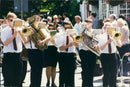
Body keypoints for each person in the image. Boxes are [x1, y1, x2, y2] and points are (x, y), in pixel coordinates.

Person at [1, 12, 26, 87]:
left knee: (18, 79)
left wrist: (20, 33)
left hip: (17, 56)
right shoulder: (4, 30)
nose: (13, 22)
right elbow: (5, 43)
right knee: (8, 80)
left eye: (15, 20)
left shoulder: (19, 29)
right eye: (11, 20)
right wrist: (13, 35)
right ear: (7, 21)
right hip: (8, 57)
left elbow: (25, 41)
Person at [24, 15, 51, 87]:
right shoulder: (27, 28)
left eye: (38, 19)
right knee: (33, 69)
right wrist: (29, 35)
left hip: (40, 50)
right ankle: (33, 85)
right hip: (32, 51)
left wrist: (43, 41)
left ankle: (37, 85)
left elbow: (48, 37)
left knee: (39, 70)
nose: (37, 21)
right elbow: (25, 41)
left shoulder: (40, 28)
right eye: (36, 19)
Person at [55, 20, 78, 87]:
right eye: (66, 28)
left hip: (71, 55)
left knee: (71, 75)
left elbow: (77, 45)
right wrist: (69, 45)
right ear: (63, 28)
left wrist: (73, 37)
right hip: (63, 56)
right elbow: (60, 48)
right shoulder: (59, 35)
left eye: (69, 28)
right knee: (63, 74)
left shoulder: (74, 34)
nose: (67, 30)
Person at [98, 23, 122, 87]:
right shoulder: (101, 36)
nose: (109, 29)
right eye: (108, 28)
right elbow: (101, 48)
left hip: (112, 55)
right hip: (104, 56)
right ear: (104, 28)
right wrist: (107, 42)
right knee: (106, 74)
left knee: (113, 74)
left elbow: (120, 45)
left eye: (110, 28)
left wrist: (116, 39)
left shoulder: (114, 35)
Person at [79, 18, 98, 87]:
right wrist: (83, 42)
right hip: (84, 52)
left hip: (92, 52)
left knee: (91, 70)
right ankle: (84, 85)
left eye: (89, 22)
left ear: (92, 23)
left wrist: (96, 46)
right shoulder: (81, 32)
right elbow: (78, 43)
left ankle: (90, 85)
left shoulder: (94, 31)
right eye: (86, 22)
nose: (88, 24)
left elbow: (97, 40)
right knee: (85, 70)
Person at [44, 23, 58, 87]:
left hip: (54, 49)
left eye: (52, 26)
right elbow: (44, 42)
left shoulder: (57, 33)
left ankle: (53, 82)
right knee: (48, 66)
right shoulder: (45, 32)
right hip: (48, 49)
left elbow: (58, 42)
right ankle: (48, 81)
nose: (51, 27)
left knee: (54, 67)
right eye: (50, 26)